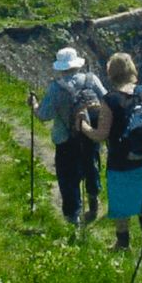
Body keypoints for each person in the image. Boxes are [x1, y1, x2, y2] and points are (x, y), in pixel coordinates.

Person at [79, 52, 142, 251]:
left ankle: (123, 242)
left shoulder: (110, 100)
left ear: (111, 74)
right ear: (132, 69)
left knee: (122, 198)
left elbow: (101, 134)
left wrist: (83, 125)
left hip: (122, 158)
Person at [28, 47, 106, 225]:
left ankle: (73, 217)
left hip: (66, 139)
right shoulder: (91, 80)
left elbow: (43, 115)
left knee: (68, 178)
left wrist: (34, 105)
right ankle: (93, 202)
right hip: (90, 135)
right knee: (91, 167)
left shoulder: (56, 88)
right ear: (77, 64)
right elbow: (107, 100)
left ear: (61, 68)